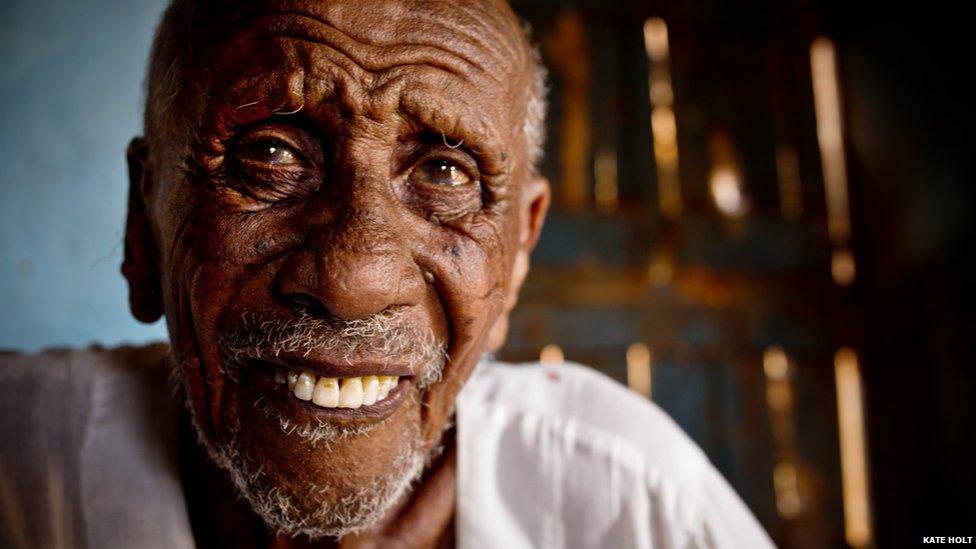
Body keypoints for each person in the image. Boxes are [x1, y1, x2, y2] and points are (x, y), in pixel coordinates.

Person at [0, 0, 774, 547]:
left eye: (445, 170)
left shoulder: (630, 499)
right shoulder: (19, 465)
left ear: (518, 256)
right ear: (145, 220)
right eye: (271, 154)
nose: (354, 278)